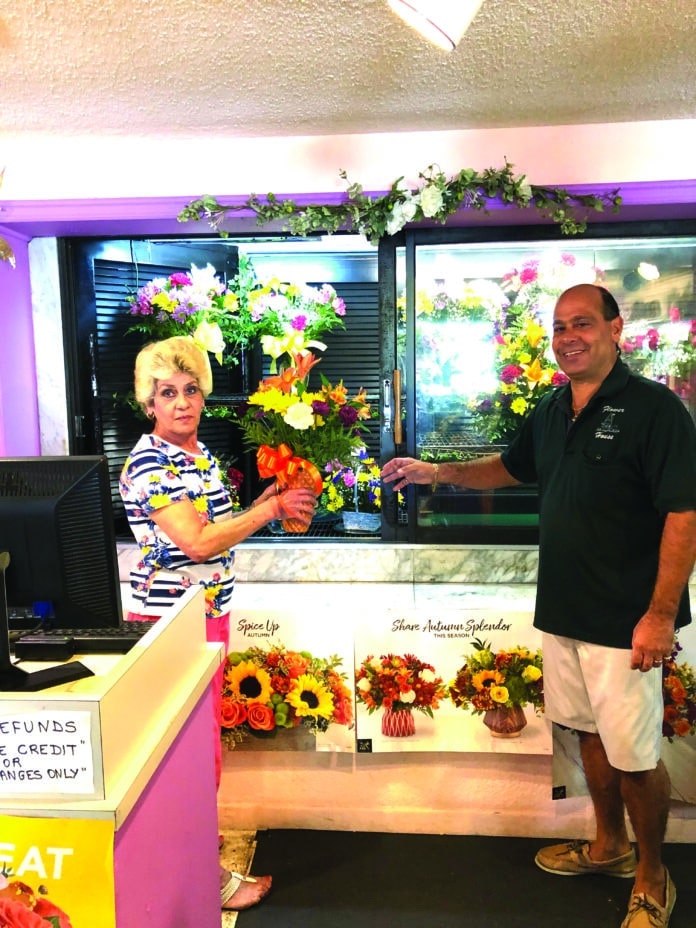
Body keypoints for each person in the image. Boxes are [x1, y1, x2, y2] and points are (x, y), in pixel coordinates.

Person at [382, 283, 696, 928]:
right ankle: (608, 846)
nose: (568, 338)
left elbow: (684, 512)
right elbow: (511, 467)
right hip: (565, 609)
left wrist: (659, 614)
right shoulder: (554, 409)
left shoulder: (655, 410)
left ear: (616, 328)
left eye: (582, 324)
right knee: (585, 735)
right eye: (558, 328)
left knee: (636, 754)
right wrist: (436, 473)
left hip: (625, 620)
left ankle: (652, 875)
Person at [119, 336, 318, 911]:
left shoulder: (199, 456)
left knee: (201, 756)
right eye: (166, 393)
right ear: (149, 403)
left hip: (209, 618)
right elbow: (200, 541)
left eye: (190, 390)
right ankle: (202, 881)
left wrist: (274, 496)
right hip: (170, 630)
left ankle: (193, 870)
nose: (180, 402)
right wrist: (269, 510)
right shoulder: (150, 462)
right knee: (185, 764)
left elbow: (220, 525)